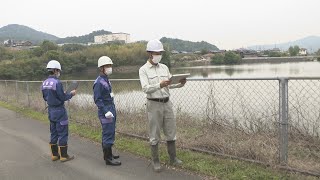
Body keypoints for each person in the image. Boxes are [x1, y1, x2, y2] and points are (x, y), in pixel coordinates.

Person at [139, 39, 187, 172]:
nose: (159, 55)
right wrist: (159, 84)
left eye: (160, 53)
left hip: (167, 103)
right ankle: (155, 161)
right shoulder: (143, 70)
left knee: (171, 131)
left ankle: (173, 158)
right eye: (156, 53)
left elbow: (170, 84)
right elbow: (145, 88)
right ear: (150, 53)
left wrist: (180, 83)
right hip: (153, 104)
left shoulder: (164, 67)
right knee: (155, 134)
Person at [41, 60, 76, 162]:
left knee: (54, 133)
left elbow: (45, 97)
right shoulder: (57, 82)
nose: (59, 72)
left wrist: (59, 96)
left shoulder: (44, 83)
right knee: (63, 133)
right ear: (56, 70)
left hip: (51, 111)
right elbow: (63, 97)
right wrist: (71, 94)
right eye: (58, 70)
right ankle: (64, 156)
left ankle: (54, 155)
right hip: (60, 111)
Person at [93, 56, 121, 166]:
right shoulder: (98, 82)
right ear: (101, 68)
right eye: (107, 66)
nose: (110, 67)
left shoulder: (105, 79)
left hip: (111, 107)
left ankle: (110, 154)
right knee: (107, 133)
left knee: (111, 131)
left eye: (110, 65)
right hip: (106, 110)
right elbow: (97, 99)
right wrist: (105, 111)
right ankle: (108, 159)